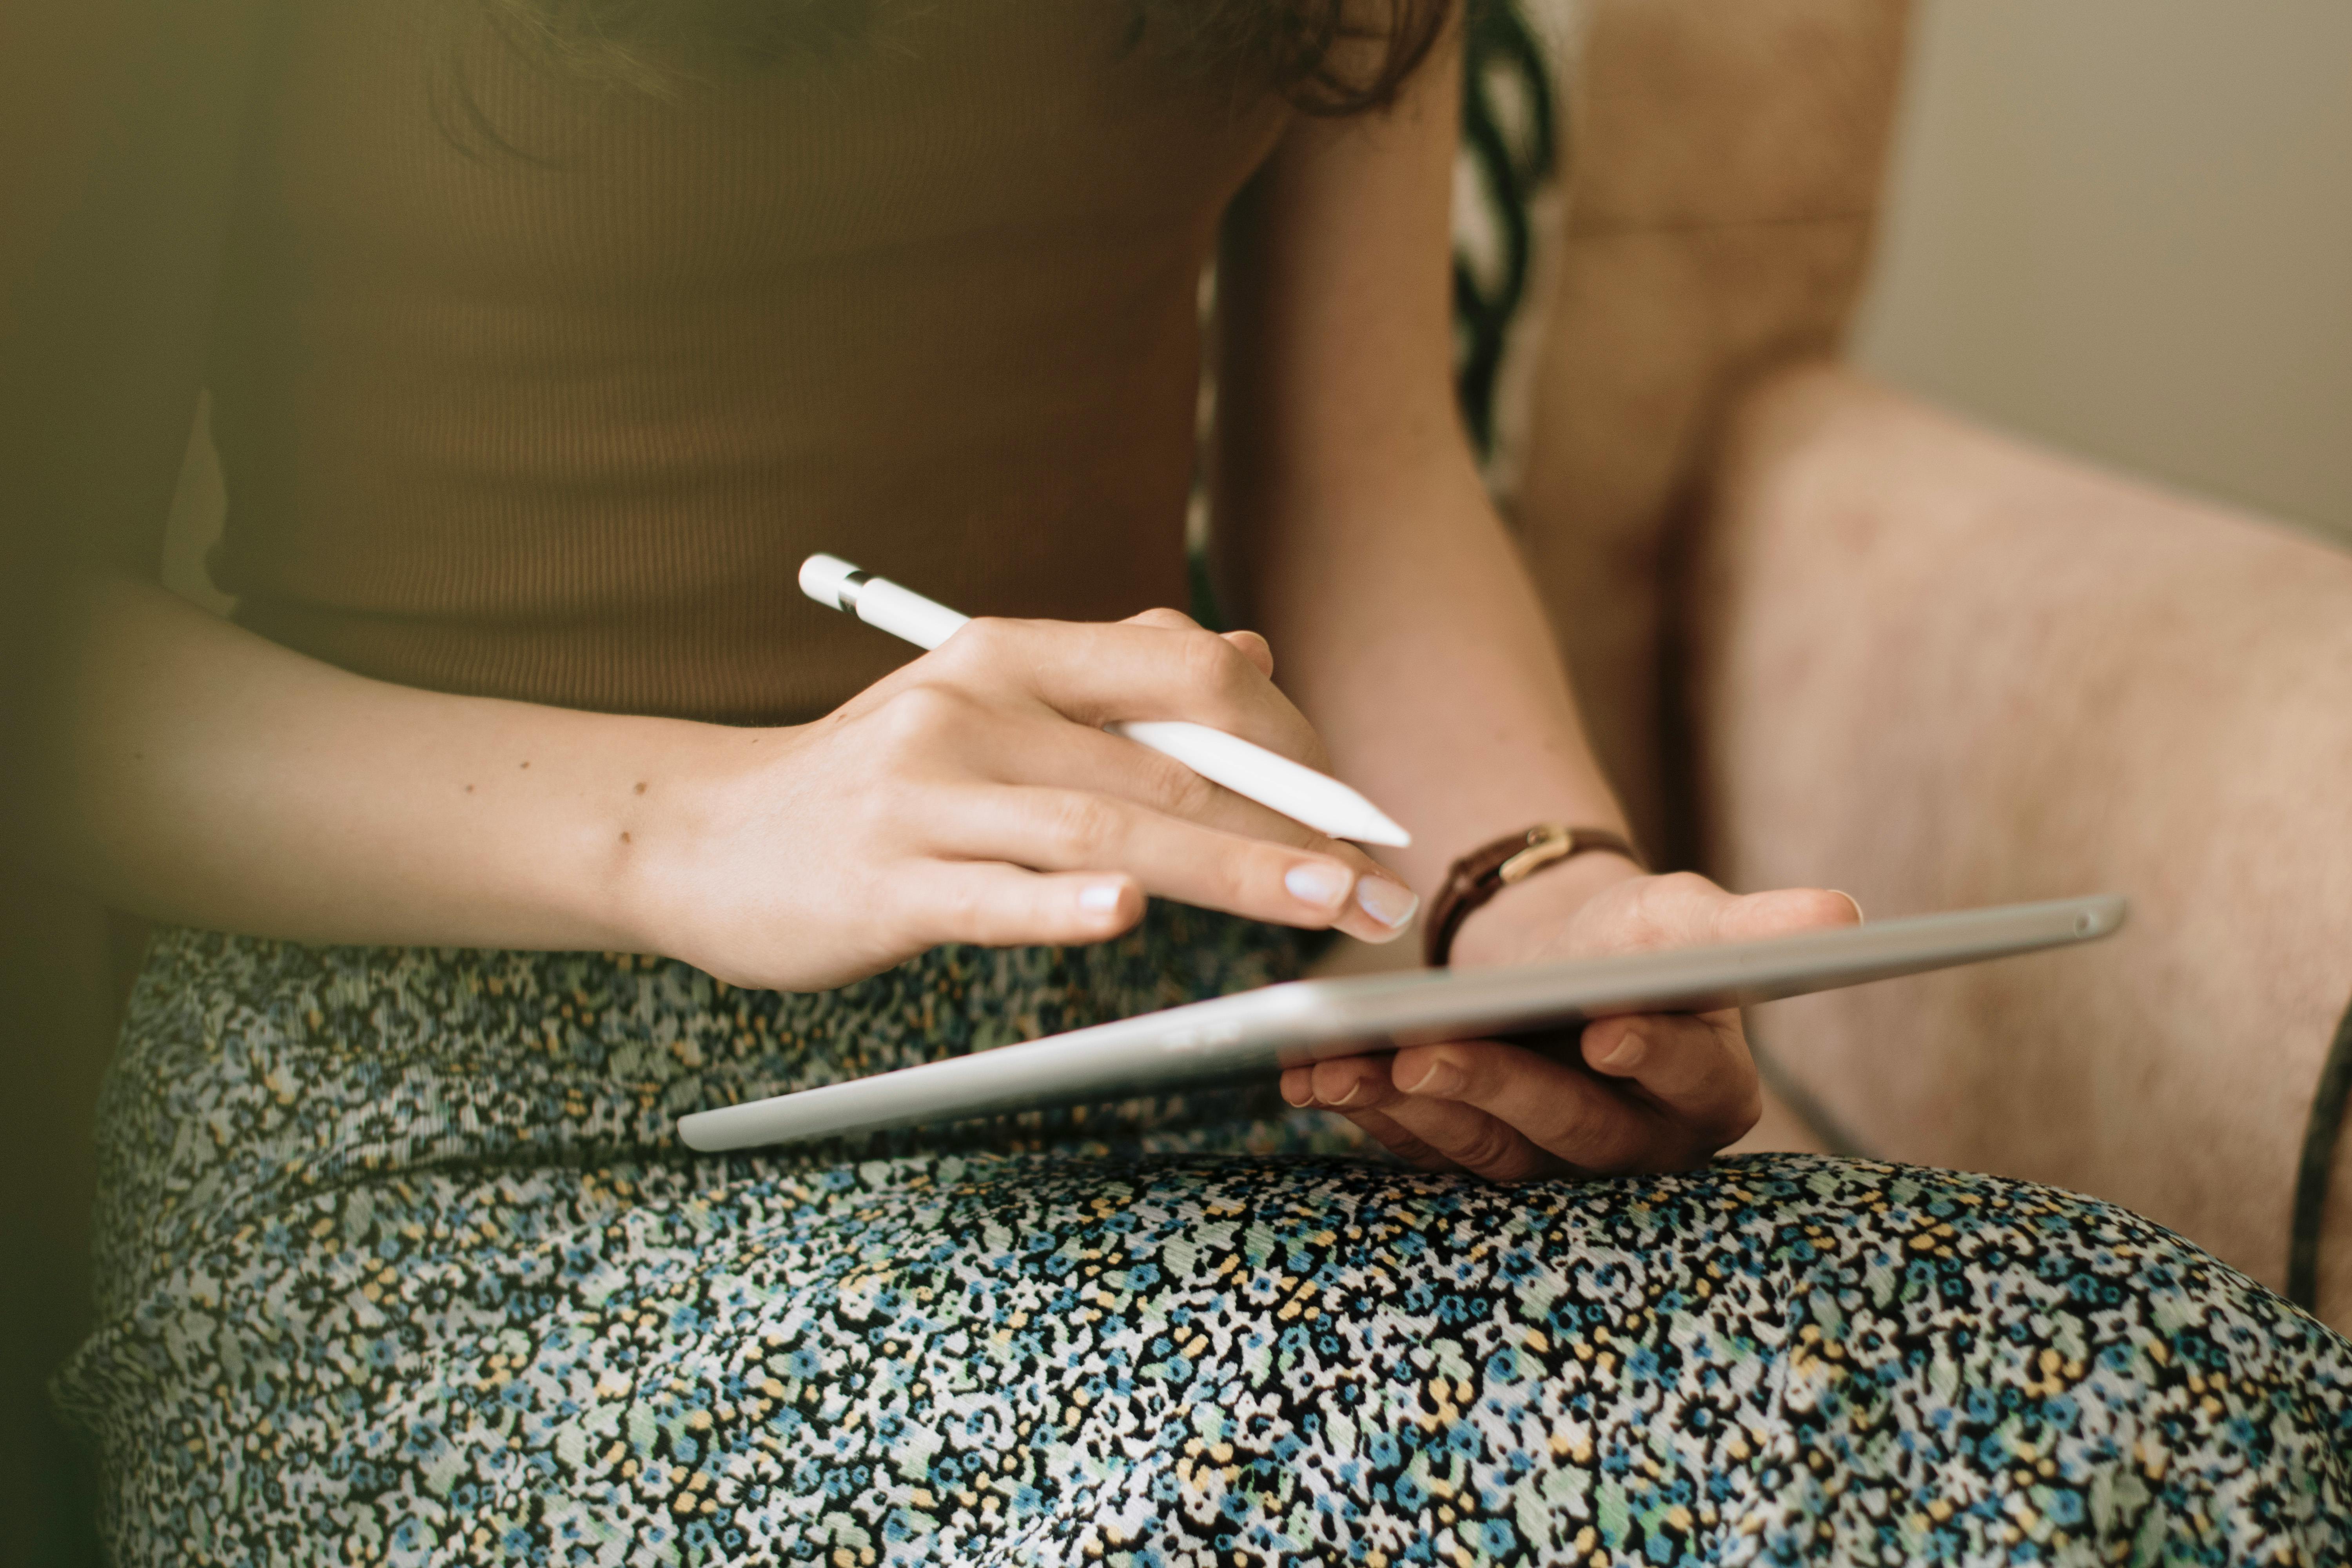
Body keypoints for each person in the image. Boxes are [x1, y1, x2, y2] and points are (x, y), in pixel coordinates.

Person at [8, 0, 2345, 1561]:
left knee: (2179, 1404)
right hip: (445, 1148)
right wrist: (692, 828)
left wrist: (1529, 906)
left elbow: (1361, 476)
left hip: (1174, 1044)